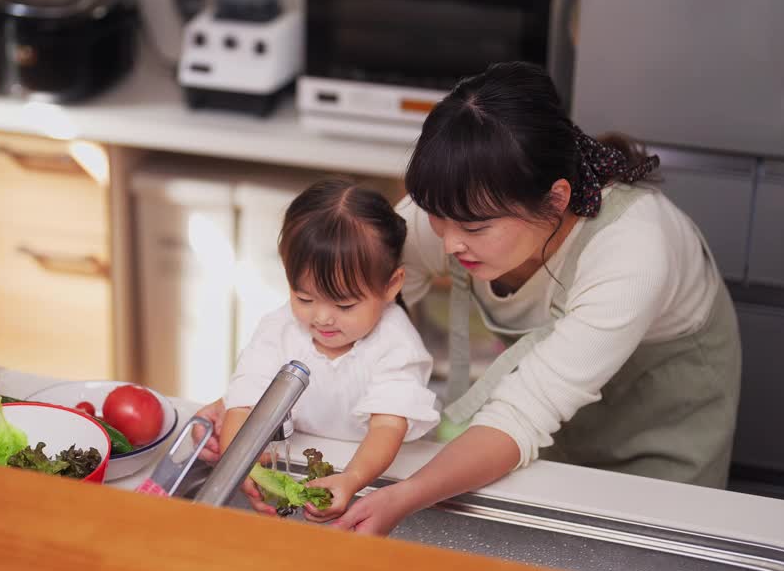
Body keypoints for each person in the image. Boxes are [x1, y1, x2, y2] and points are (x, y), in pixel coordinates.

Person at [198, 61, 741, 534]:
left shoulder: (635, 252)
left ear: (555, 200)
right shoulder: (460, 208)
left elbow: (523, 416)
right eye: (437, 216)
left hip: (661, 417)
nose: (446, 241)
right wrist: (246, 412)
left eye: (474, 229)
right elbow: (344, 302)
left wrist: (401, 497)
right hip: (547, 419)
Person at [219, 179, 438, 522]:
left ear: (391, 286)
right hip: (299, 461)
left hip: (372, 474)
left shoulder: (396, 344)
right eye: (304, 298)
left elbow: (387, 428)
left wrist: (352, 478)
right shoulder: (278, 329)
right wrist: (242, 464)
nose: (321, 317)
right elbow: (244, 406)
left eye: (345, 305)